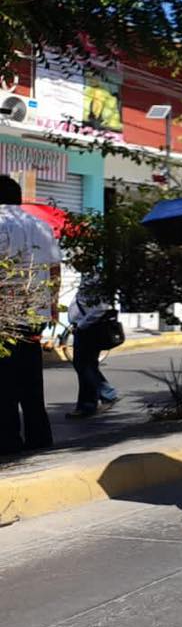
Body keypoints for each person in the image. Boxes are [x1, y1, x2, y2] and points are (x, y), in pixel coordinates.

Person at [0, 175, 61, 455]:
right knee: (31, 379)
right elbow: (54, 271)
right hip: (33, 314)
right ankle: (40, 436)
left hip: (4, 316)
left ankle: (9, 439)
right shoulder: (41, 225)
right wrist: (52, 308)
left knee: (4, 382)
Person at [65, 273, 121, 419]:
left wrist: (82, 324)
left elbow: (100, 307)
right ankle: (87, 404)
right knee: (85, 366)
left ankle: (102, 397)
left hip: (89, 329)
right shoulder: (87, 277)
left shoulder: (95, 279)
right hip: (82, 328)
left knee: (84, 366)